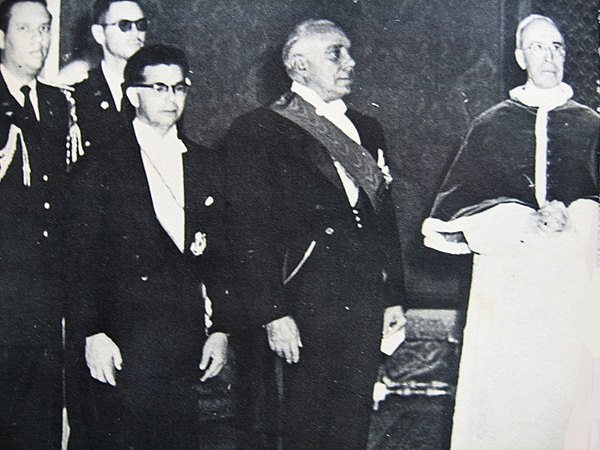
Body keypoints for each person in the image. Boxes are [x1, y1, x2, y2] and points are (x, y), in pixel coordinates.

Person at [223, 19, 407, 449]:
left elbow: (384, 218)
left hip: (362, 300)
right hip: (302, 302)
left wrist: (393, 294)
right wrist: (272, 312)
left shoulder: (367, 128)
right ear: (298, 66)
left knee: (351, 423)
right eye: (335, 53)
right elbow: (248, 230)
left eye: (349, 52)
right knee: (300, 426)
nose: (350, 62)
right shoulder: (257, 130)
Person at [422, 14, 599, 449]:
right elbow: (462, 207)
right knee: (510, 392)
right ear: (520, 57)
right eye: (538, 47)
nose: (550, 56)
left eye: (557, 46)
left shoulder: (592, 124)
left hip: (572, 279)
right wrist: (520, 221)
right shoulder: (490, 124)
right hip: (510, 279)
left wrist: (578, 214)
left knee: (568, 388)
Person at [69, 45, 235, 449]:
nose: (171, 97)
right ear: (132, 95)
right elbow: (78, 259)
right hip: (121, 339)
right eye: (159, 87)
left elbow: (222, 257)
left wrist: (221, 330)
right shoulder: (101, 165)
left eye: (180, 87)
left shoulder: (205, 163)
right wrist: (92, 333)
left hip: (183, 339)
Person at [0, 0, 72, 447]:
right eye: (26, 29)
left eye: (45, 29)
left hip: (46, 287)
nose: (40, 40)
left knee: (41, 407)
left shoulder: (56, 103)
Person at [72, 0, 146, 156]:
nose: (136, 34)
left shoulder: (155, 91)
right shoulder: (80, 95)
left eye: (140, 25)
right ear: (99, 34)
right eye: (124, 25)